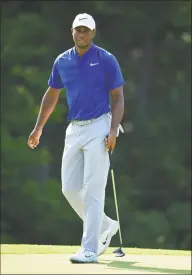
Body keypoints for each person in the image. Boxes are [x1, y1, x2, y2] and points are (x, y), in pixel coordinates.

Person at [27, 13, 125, 263]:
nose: (81, 34)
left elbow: (118, 97)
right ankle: (105, 225)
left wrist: (113, 130)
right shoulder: (62, 61)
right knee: (69, 188)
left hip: (100, 126)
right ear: (72, 32)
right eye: (77, 30)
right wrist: (39, 128)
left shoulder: (106, 59)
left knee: (93, 189)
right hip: (75, 128)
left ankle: (89, 249)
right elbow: (52, 94)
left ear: (93, 33)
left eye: (86, 30)